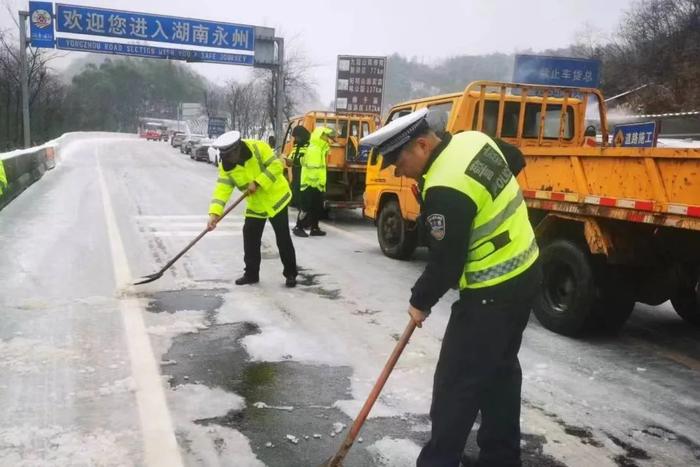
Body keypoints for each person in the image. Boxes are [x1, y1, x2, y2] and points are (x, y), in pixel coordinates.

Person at [361, 108, 541, 467]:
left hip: (490, 292)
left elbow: (446, 263)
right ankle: (501, 458)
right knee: (500, 374)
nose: (397, 171)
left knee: (456, 385)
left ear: (423, 145)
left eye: (398, 161)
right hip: (525, 272)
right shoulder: (473, 140)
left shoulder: (445, 186)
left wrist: (419, 302)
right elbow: (515, 158)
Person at [207, 131, 298, 288]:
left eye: (230, 155)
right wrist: (214, 214)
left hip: (277, 199)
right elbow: (222, 190)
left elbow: (276, 165)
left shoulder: (258, 147)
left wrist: (258, 182)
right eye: (224, 156)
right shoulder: (227, 167)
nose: (228, 159)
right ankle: (251, 274)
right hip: (256, 204)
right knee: (250, 235)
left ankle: (290, 274)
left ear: (237, 149)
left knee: (282, 237)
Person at [292, 126, 336, 238]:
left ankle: (314, 228)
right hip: (309, 184)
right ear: (320, 136)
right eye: (326, 136)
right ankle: (299, 227)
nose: (328, 139)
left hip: (317, 184)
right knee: (305, 207)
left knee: (316, 207)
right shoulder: (313, 149)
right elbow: (310, 167)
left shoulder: (321, 149)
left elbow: (320, 168)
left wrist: (321, 184)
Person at [288, 125, 310, 208]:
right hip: (295, 169)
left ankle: (301, 204)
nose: (296, 139)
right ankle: (295, 202)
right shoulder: (296, 145)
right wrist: (288, 160)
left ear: (302, 136)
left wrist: (295, 161)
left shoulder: (309, 145)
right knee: (295, 186)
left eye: (297, 137)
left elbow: (307, 159)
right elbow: (292, 154)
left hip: (303, 170)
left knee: (301, 188)